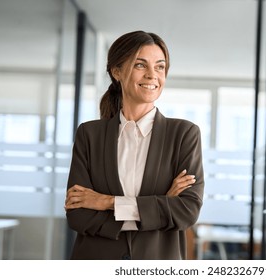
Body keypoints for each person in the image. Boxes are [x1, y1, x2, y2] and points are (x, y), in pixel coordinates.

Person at [64, 30, 204, 260]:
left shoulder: (184, 134)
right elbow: (78, 215)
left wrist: (106, 202)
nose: (152, 75)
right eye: (141, 65)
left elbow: (186, 212)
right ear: (117, 71)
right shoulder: (89, 134)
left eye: (160, 67)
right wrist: (160, 206)